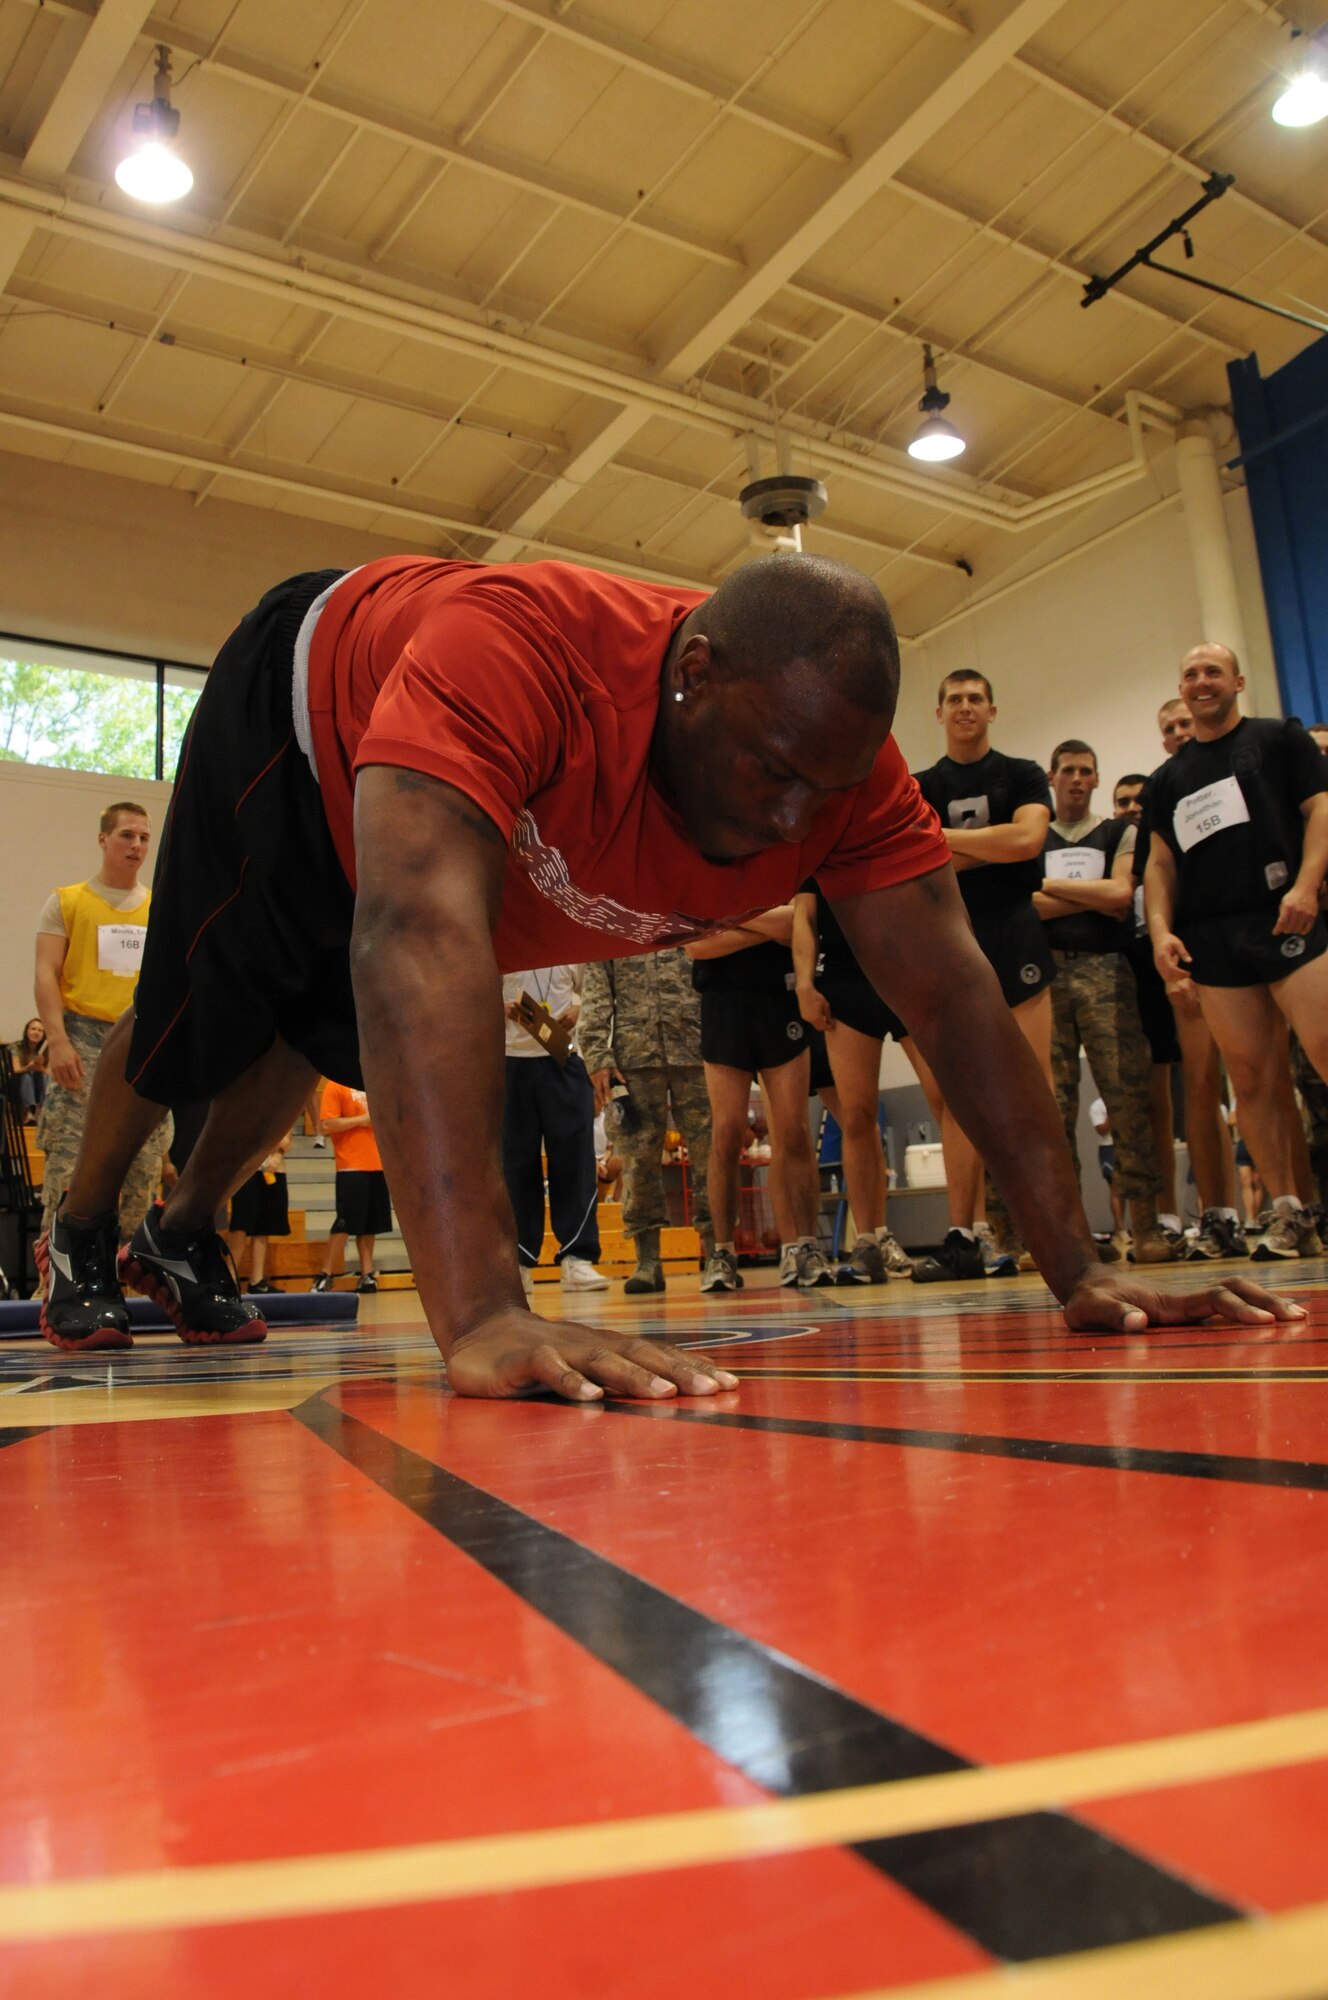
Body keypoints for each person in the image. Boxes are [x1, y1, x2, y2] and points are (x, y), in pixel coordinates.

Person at [38, 553, 1297, 1382]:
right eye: (769, 774)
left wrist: (1078, 1261)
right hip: (304, 706)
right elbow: (415, 938)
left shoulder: (841, 785)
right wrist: (480, 1313)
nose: (792, 820)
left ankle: (183, 1229)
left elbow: (954, 995)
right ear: (689, 677)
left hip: (406, 788)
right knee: (208, 1001)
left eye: (825, 790)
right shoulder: (521, 655)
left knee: (317, 1035)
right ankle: (88, 1228)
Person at [1145, 642, 1328, 1260]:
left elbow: (1321, 811)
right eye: (1190, 673)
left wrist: (1305, 886)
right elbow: (1160, 865)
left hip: (1286, 918)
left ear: (1238, 682)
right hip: (1214, 941)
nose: (1201, 681)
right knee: (1250, 1080)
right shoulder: (1169, 778)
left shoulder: (1280, 739)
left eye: (1213, 672)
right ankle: (1287, 1211)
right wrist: (1163, 930)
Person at [908, 670, 1055, 1283]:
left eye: (975, 698)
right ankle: (966, 1233)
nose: (966, 707)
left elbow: (1028, 841)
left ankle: (1048, 1227)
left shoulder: (1022, 774)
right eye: (955, 700)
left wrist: (943, 841)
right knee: (962, 1092)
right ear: (937, 712)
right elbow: (911, 863)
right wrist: (977, 847)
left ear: (992, 708)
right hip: (952, 938)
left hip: (1015, 931)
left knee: (1034, 1086)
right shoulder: (918, 786)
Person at [1034, 741, 1174, 1262]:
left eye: (1085, 771)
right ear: (1052, 777)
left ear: (1096, 780)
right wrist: (1089, 893)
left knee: (1127, 1096)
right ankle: (1068, 1235)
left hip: (1106, 970)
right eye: (1066, 770)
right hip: (1045, 973)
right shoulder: (1035, 836)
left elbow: (1120, 897)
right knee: (1055, 1106)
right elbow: (1024, 907)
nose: (1075, 779)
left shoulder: (1119, 831)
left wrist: (1051, 890)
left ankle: (1147, 1228)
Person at [32, 802, 171, 1245]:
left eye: (144, 837)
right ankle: (54, 1288)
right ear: (103, 839)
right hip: (82, 1044)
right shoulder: (67, 902)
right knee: (70, 1172)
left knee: (140, 1174)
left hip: (141, 1045)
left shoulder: (159, 908)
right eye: (127, 835)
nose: (137, 845)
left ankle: (126, 1292)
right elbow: (45, 974)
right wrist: (57, 1041)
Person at [687, 908, 834, 1292]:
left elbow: (795, 923)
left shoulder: (777, 866)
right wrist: (765, 929)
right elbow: (697, 946)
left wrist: (726, 922)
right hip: (722, 1003)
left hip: (778, 997)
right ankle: (721, 1253)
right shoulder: (706, 872)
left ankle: (805, 1246)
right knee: (726, 1134)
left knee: (793, 1131)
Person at [792, 884, 912, 1282]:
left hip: (908, 961)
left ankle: (967, 1232)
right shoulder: (819, 842)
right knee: (856, 1114)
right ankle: (867, 1241)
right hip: (845, 977)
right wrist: (806, 985)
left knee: (946, 1101)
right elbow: (804, 916)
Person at [579, 949, 714, 1295]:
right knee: (637, 1161)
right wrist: (597, 1055)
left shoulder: (690, 907)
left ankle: (718, 1252)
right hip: (633, 1058)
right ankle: (648, 1261)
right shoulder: (616, 914)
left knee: (711, 1154)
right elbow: (596, 983)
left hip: (698, 1048)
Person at [501, 965, 608, 1294]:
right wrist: (496, 1007)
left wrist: (579, 1008)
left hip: (563, 1055)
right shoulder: (500, 939)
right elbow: (466, 991)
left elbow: (597, 991)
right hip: (508, 1058)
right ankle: (518, 1263)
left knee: (574, 1160)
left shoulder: (566, 944)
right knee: (515, 1164)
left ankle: (577, 1257)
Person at [312, 1079, 391, 1293]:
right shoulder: (336, 1086)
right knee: (345, 1221)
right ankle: (326, 1273)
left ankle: (367, 1274)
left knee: (369, 1225)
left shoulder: (372, 1085)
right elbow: (326, 1125)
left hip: (377, 1163)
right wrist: (361, 1120)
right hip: (351, 1165)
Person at [227, 1132, 290, 1294]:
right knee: (240, 1223)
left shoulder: (282, 1108)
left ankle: (257, 1279)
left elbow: (285, 1140)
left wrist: (278, 1155)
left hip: (272, 1169)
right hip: (246, 1167)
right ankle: (229, 1277)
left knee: (264, 1224)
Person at [9, 1019, 48, 1123]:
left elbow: (50, 1073)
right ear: (27, 1031)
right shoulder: (16, 1047)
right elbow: (15, 1070)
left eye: (40, 1031)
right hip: (15, 1083)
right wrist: (29, 1067)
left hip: (37, 1083)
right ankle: (28, 1112)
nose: (36, 1032)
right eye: (33, 1029)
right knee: (27, 1076)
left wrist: (40, 1068)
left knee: (43, 1076)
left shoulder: (46, 1050)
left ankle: (40, 1111)